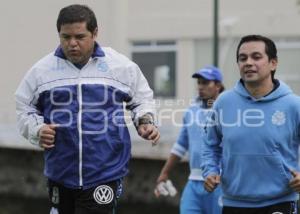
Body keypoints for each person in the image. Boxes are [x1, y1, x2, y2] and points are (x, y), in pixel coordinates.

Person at [15, 4, 160, 214]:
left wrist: (145, 122)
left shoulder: (120, 66)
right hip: (60, 171)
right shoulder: (41, 71)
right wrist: (37, 130)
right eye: (65, 37)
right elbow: (24, 108)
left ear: (95, 33)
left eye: (80, 37)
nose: (72, 44)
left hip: (105, 171)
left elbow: (142, 99)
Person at [201, 34, 300, 214]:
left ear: (273, 63)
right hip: (234, 203)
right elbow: (210, 145)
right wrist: (210, 171)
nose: (248, 62)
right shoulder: (223, 102)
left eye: (256, 57)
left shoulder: (294, 105)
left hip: (281, 202)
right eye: (242, 58)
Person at [155, 66, 224, 214]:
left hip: (219, 184)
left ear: (218, 85)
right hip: (193, 183)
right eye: (199, 82)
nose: (200, 86)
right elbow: (181, 145)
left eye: (205, 82)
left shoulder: (227, 110)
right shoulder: (191, 111)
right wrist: (164, 173)